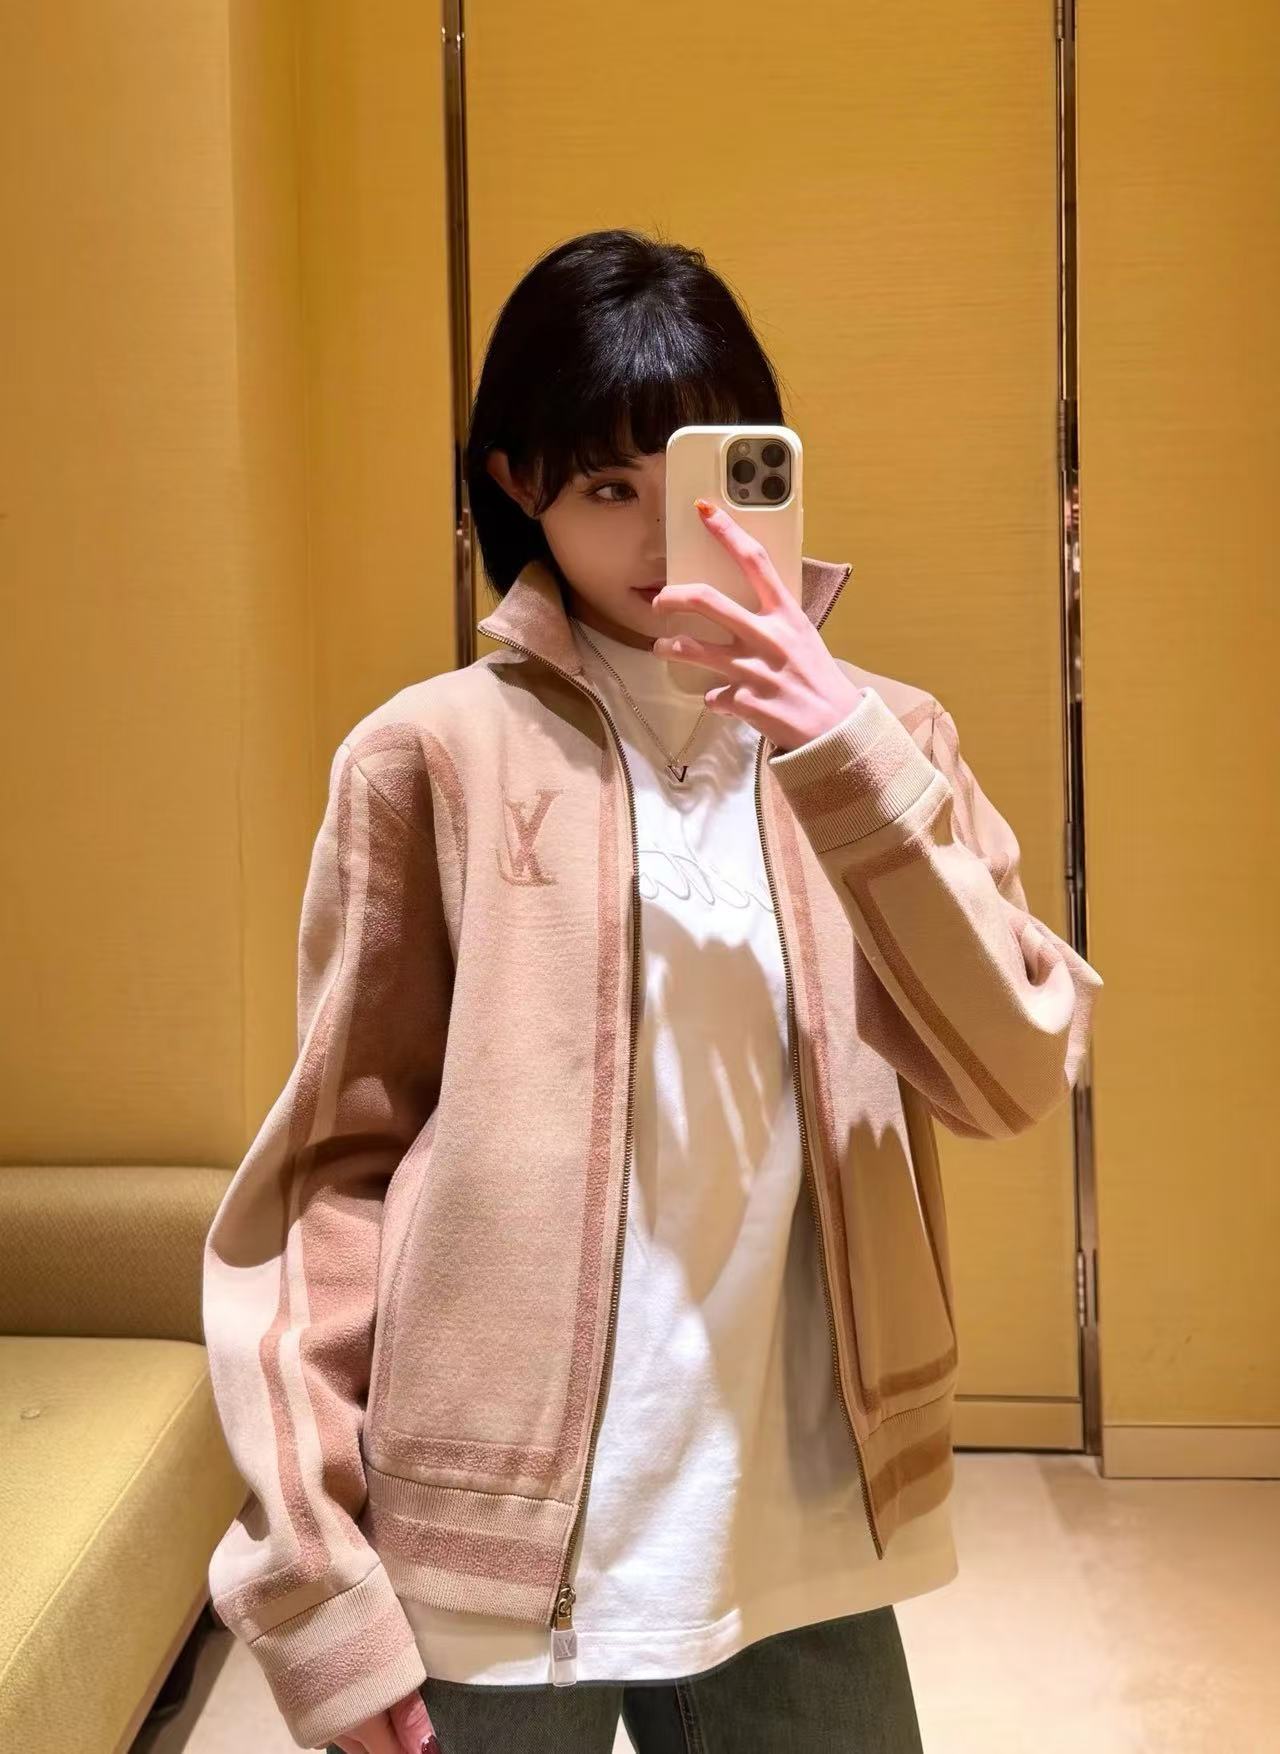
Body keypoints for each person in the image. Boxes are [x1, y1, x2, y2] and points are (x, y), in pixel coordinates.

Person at [202, 227, 1104, 1754]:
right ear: (517, 483)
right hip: (485, 1542)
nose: (657, 535)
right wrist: (313, 1576)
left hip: (802, 1526)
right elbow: (326, 1178)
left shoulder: (889, 741)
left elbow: (1012, 1068)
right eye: (605, 487)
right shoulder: (430, 755)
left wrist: (839, 746)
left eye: (690, 479)